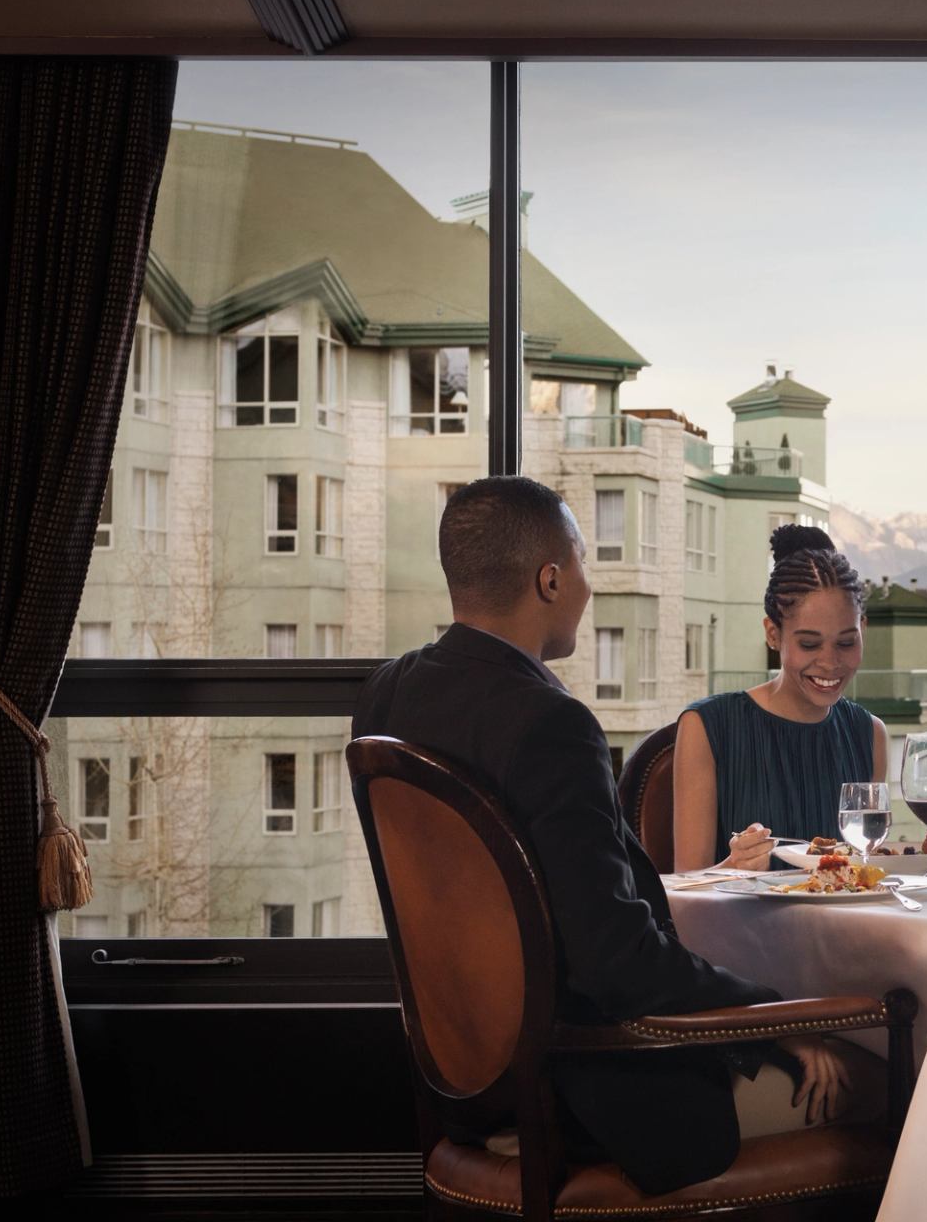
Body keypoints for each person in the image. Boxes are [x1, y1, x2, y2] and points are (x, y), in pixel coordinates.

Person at [353, 477, 871, 1195]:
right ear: (550, 579)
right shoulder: (550, 727)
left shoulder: (388, 694)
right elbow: (618, 964)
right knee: (890, 1074)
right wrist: (773, 1019)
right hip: (590, 1095)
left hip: (465, 1088)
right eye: (585, 564)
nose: (588, 587)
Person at [672, 525, 888, 872]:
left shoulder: (869, 734)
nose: (830, 662)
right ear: (773, 634)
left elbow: (865, 872)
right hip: (740, 926)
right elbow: (683, 890)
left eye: (846, 642)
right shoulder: (709, 727)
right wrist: (733, 866)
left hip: (847, 928)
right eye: (809, 644)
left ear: (862, 629)